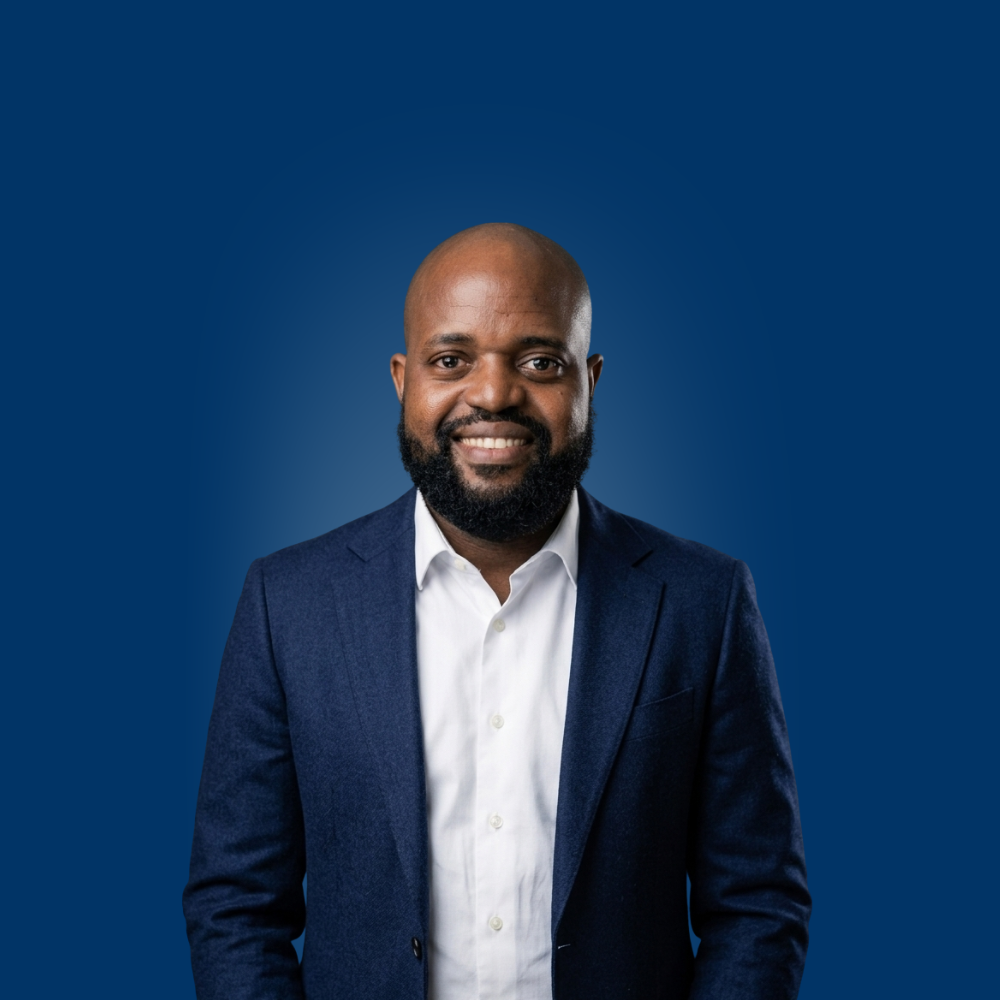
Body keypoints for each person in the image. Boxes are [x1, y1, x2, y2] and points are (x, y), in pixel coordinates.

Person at [182, 223, 811, 999]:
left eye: (540, 361)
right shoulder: (289, 603)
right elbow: (237, 905)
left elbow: (757, 904)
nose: (492, 394)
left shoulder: (702, 602)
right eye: (452, 361)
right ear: (401, 380)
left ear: (592, 380)